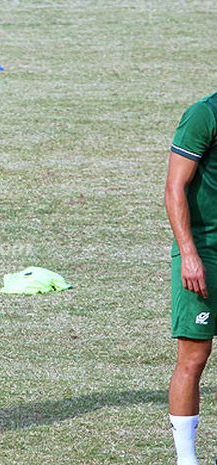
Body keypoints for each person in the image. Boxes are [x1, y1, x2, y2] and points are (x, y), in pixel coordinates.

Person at [166, 91, 217, 465]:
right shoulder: (204, 115)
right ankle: (186, 459)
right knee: (194, 357)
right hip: (205, 252)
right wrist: (189, 254)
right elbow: (173, 189)